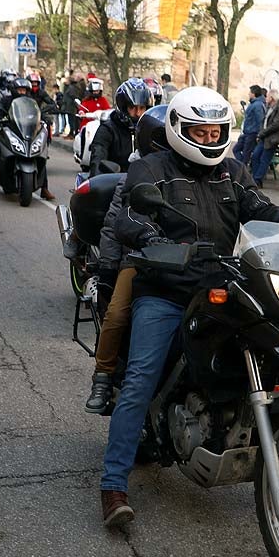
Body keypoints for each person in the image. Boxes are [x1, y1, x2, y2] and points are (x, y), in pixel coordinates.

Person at [100, 86, 279, 527]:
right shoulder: (151, 169)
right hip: (167, 288)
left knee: (275, 349)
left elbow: (263, 209)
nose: (208, 140)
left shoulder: (234, 173)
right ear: (178, 130)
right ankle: (113, 485)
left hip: (223, 283)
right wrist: (152, 241)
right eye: (199, 132)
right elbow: (132, 216)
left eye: (215, 132)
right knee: (140, 380)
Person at [84, 105, 168, 414]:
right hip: (137, 258)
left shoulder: (191, 169)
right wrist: (107, 267)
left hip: (183, 260)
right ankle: (103, 376)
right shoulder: (135, 174)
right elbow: (112, 225)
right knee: (118, 314)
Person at [0, 77, 58, 199]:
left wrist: (44, 116)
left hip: (28, 132)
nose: (21, 92)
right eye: (19, 90)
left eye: (24, 90)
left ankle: (44, 188)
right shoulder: (7, 100)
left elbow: (37, 114)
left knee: (41, 153)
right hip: (11, 129)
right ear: (14, 90)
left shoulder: (31, 102)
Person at [87, 78, 152, 177]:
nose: (138, 113)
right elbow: (98, 160)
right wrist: (98, 177)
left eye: (142, 108)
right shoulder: (108, 130)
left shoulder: (149, 132)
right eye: (132, 108)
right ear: (123, 107)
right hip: (113, 185)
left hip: (144, 187)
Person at [249, 88, 279, 188]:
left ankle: (257, 180)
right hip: (265, 136)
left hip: (274, 138)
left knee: (264, 159)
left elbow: (275, 125)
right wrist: (260, 133)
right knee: (255, 156)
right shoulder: (269, 107)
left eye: (267, 96)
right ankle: (255, 178)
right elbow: (263, 122)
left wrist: (261, 134)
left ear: (271, 98)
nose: (265, 98)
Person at [232, 85, 265, 164]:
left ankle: (243, 170)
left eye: (250, 92)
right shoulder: (253, 103)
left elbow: (260, 121)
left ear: (254, 94)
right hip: (247, 133)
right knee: (236, 149)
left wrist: (258, 135)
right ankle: (241, 167)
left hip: (252, 134)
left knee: (246, 155)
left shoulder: (258, 105)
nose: (248, 94)